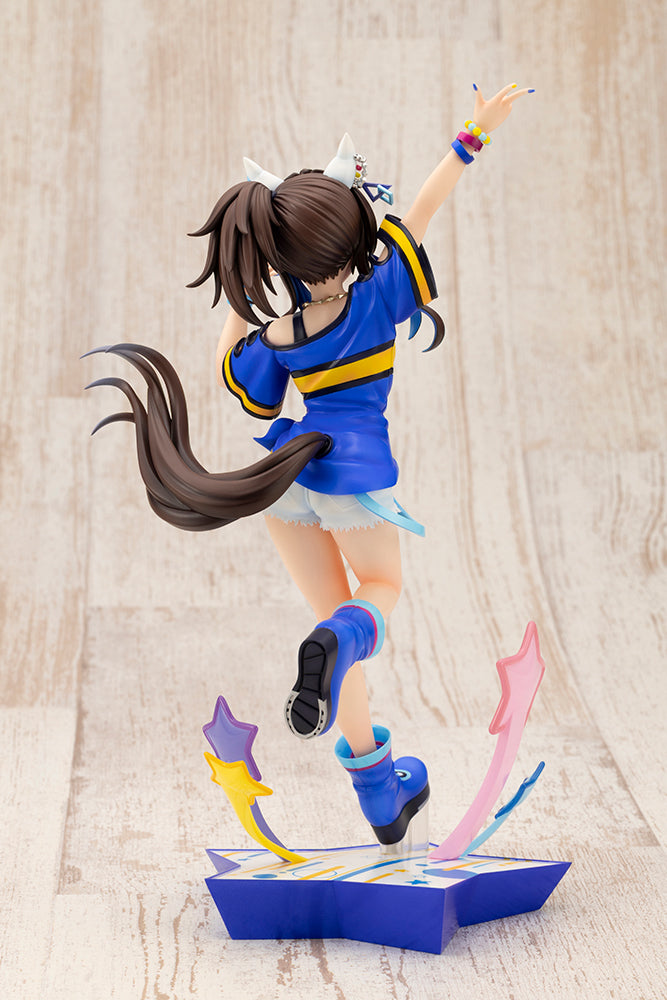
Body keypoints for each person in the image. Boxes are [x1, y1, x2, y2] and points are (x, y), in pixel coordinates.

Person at [87, 83, 532, 847]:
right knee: (376, 595)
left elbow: (232, 375)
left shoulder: (282, 335)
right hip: (354, 474)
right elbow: (425, 206)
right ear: (356, 235)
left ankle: (378, 790)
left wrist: (244, 290)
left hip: (287, 482)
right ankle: (342, 650)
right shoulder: (378, 296)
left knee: (332, 618)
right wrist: (471, 135)